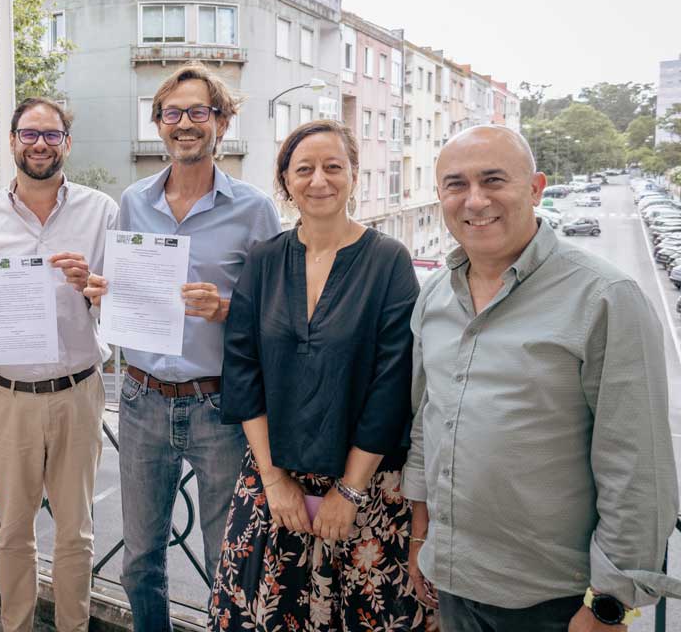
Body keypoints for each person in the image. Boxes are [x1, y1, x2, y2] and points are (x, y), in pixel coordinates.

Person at [405, 125, 680, 632]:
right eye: (455, 184)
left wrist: (609, 603)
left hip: (556, 601)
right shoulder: (435, 295)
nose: (475, 200)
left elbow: (638, 466)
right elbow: (429, 419)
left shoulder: (605, 298)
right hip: (452, 582)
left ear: (535, 188)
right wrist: (422, 537)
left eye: (493, 180)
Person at [84, 62, 282, 631]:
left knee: (229, 562)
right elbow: (120, 292)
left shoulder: (253, 209)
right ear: (159, 125)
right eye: (173, 113)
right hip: (142, 399)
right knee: (139, 562)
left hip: (219, 406)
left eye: (200, 112)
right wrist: (103, 293)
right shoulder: (133, 201)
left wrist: (226, 309)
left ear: (221, 122)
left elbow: (277, 312)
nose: (185, 123)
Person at [210, 119, 429, 631]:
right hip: (273, 487)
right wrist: (273, 480)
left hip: (363, 493)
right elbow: (243, 370)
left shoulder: (389, 261)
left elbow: (392, 384)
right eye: (303, 169)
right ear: (285, 181)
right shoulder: (264, 261)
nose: (319, 180)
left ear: (355, 175)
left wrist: (349, 491)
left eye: (334, 166)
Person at [0, 97, 118, 632]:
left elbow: (124, 305)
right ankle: (17, 626)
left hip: (77, 392)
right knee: (12, 530)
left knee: (75, 533)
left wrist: (94, 286)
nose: (40, 144)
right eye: (29, 134)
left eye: (52, 135)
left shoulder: (102, 212)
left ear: (67, 144)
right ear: (13, 141)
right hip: (5, 394)